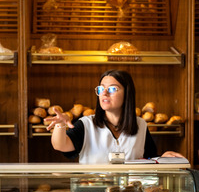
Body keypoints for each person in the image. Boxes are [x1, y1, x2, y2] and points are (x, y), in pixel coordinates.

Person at [45, 69, 184, 164]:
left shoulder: (140, 124)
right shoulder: (86, 124)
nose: (104, 93)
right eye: (101, 89)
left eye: (112, 89)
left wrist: (162, 158)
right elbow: (60, 145)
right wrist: (60, 125)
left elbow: (148, 159)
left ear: (127, 93)